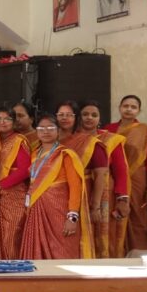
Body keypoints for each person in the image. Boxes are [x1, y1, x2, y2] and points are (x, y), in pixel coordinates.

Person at [20, 114, 93, 292]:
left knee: (62, 253)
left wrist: (72, 217)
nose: (45, 131)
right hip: (37, 211)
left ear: (58, 131)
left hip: (60, 212)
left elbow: (75, 187)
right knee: (38, 255)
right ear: (36, 131)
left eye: (50, 127)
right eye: (41, 128)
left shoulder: (66, 155)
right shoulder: (34, 154)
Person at [104, 95, 147, 252]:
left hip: (137, 181)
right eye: (125, 106)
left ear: (139, 111)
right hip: (113, 180)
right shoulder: (108, 129)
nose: (129, 109)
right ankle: (116, 254)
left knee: (137, 216)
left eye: (133, 107)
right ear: (119, 108)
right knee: (114, 214)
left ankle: (139, 253)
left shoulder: (146, 131)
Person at [56, 100, 108, 255]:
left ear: (76, 118)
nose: (65, 118)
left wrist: (95, 206)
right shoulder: (47, 140)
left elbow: (100, 176)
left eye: (69, 115)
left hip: (81, 194)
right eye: (61, 114)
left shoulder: (89, 143)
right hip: (52, 196)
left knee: (76, 236)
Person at [80, 100, 131, 257]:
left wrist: (122, 198)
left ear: (99, 118)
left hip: (105, 194)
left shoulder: (111, 139)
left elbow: (121, 170)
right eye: (85, 114)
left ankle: (106, 264)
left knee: (106, 234)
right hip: (80, 191)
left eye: (94, 115)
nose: (89, 118)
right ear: (79, 117)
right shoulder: (73, 139)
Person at [0, 107, 30, 260]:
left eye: (7, 119)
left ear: (14, 123)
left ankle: (14, 270)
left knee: (11, 235)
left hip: (14, 195)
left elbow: (25, 170)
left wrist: (0, 185)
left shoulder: (18, 140)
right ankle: (0, 269)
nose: (2, 122)